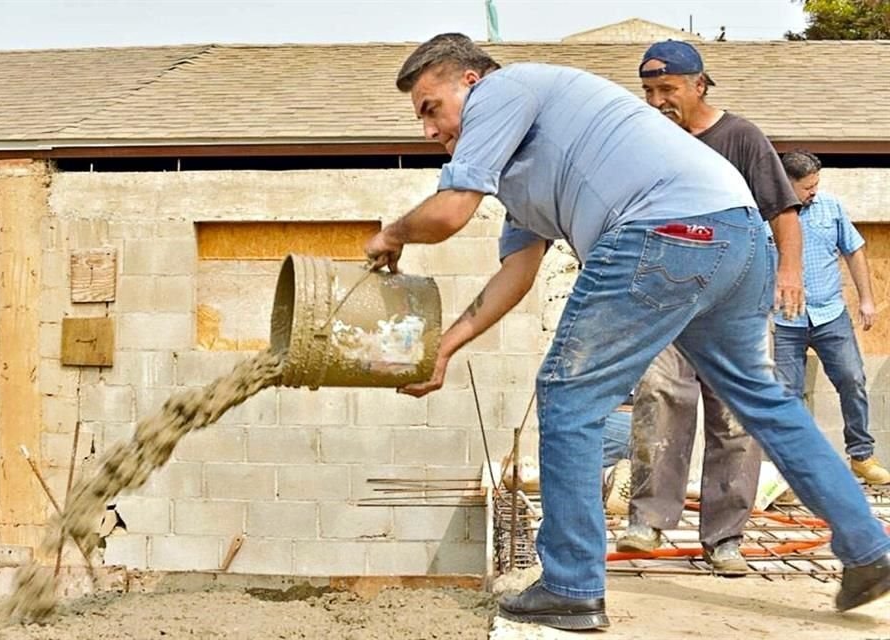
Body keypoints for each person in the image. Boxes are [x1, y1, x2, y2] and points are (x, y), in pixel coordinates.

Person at [364, 33, 890, 632]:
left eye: (431, 108)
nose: (428, 130)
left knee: (569, 397)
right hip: (734, 238)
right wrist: (445, 349)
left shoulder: (505, 90)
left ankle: (570, 585)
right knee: (763, 399)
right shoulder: (516, 169)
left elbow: (449, 211)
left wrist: (393, 233)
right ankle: (868, 551)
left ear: (470, 82)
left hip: (660, 230)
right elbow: (517, 270)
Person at [617, 40, 804, 574]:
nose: (657, 101)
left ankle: (725, 538)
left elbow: (782, 211)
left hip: (734, 301)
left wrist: (789, 272)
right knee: (658, 391)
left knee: (737, 416)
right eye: (649, 91)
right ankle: (647, 521)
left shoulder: (739, 138)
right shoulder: (645, 146)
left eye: (668, 89)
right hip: (665, 297)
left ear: (699, 85)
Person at [774, 151, 889, 485]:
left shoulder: (831, 208)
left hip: (830, 316)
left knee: (852, 379)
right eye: (807, 186)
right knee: (787, 394)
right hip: (784, 320)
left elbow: (854, 250)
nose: (813, 191)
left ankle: (861, 455)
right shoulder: (766, 214)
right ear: (786, 183)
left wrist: (867, 299)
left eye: (816, 184)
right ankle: (795, 468)